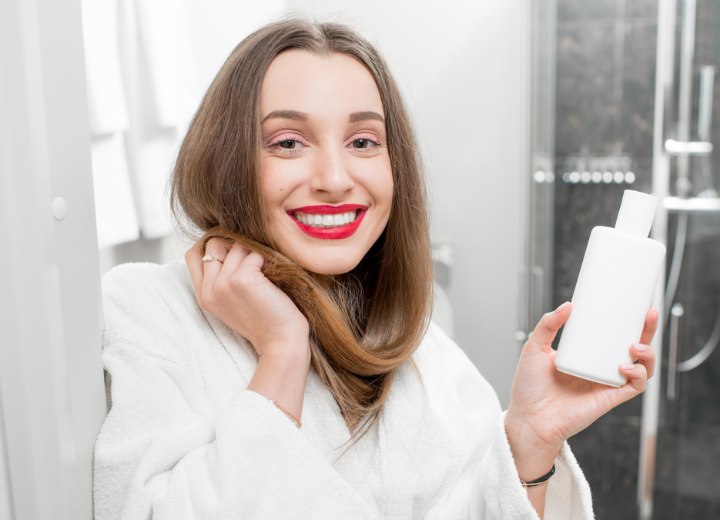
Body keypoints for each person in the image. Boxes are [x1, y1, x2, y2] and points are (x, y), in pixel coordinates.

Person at [93, 18, 657, 520]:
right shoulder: (145, 308)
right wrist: (281, 354)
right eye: (288, 142)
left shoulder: (420, 346)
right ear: (226, 158)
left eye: (364, 140)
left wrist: (529, 440)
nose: (336, 178)